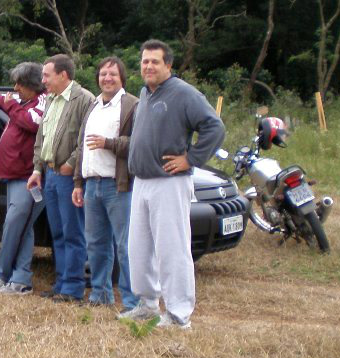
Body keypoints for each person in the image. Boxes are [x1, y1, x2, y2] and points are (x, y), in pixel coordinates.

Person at [122, 40, 224, 330]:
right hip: (141, 181)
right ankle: (147, 305)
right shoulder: (145, 93)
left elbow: (215, 127)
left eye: (155, 61)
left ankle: (179, 315)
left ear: (168, 65)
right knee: (138, 248)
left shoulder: (184, 93)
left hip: (169, 182)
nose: (148, 66)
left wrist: (191, 159)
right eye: (144, 61)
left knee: (172, 248)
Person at [72, 57, 139, 310]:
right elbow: (81, 147)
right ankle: (100, 295)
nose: (107, 78)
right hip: (92, 185)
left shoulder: (132, 105)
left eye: (112, 74)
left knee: (125, 246)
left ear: (122, 77)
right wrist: (78, 183)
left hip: (118, 186)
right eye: (103, 74)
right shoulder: (94, 106)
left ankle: (132, 302)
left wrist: (108, 143)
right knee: (96, 245)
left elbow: (138, 144)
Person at [26, 54, 95, 303]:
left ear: (63, 75)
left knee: (73, 233)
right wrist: (37, 168)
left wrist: (71, 164)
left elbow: (87, 139)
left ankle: (74, 289)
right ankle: (61, 283)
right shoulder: (51, 100)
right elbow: (41, 138)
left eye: (47, 75)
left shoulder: (84, 99)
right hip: (50, 175)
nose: (43, 80)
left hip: (68, 177)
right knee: (58, 233)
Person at [0, 62, 46, 295]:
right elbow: (14, 107)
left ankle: (2, 273)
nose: (15, 87)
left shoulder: (41, 103)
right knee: (22, 228)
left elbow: (30, 122)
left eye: (20, 83)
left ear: (33, 84)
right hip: (14, 176)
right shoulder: (25, 103)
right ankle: (20, 278)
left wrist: (6, 102)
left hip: (29, 176)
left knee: (14, 226)